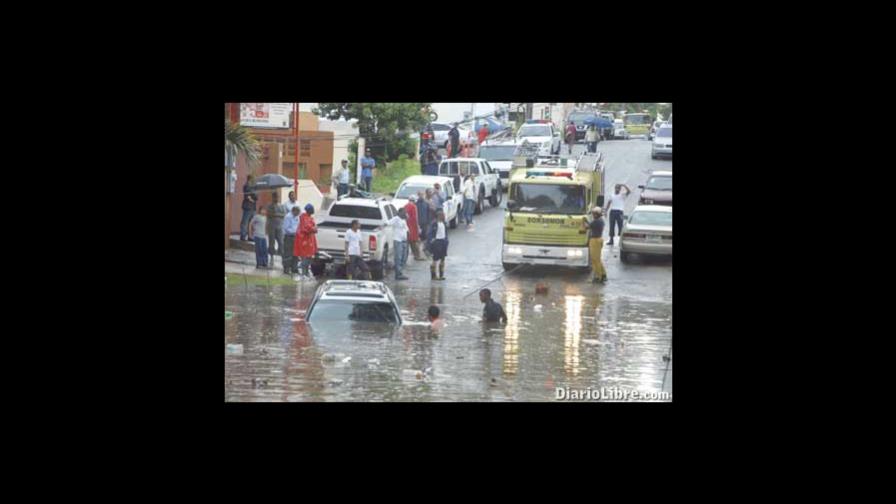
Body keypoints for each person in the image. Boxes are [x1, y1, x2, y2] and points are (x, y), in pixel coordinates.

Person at [294, 203, 318, 280]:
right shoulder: (304, 218)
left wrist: (313, 228)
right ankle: (303, 273)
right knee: (304, 257)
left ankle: (307, 273)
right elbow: (308, 228)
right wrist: (313, 229)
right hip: (304, 240)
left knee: (309, 257)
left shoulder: (310, 218)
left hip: (309, 240)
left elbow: (314, 227)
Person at [585, 206, 607, 283]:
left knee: (594, 260)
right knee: (598, 259)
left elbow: (586, 227)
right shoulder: (601, 220)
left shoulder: (596, 221)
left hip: (595, 240)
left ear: (597, 214)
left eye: (594, 213)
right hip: (599, 239)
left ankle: (598, 277)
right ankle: (603, 274)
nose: (593, 215)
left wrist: (583, 221)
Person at [387, 207, 410, 280]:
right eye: (404, 212)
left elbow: (406, 229)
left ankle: (400, 272)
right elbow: (388, 223)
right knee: (398, 257)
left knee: (404, 257)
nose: (405, 213)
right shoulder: (396, 219)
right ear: (400, 212)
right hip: (398, 240)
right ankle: (398, 274)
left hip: (404, 241)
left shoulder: (403, 220)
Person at [266, 192, 287, 267]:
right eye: (275, 197)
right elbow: (269, 214)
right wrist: (277, 214)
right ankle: (271, 258)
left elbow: (284, 215)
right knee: (271, 243)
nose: (276, 198)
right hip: (271, 226)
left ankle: (282, 258)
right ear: (272, 197)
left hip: (280, 227)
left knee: (281, 242)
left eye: (277, 197)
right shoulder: (269, 205)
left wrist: (276, 214)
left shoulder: (282, 206)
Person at [428, 209, 449, 281]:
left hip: (443, 242)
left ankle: (441, 275)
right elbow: (430, 232)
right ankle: (433, 275)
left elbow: (445, 233)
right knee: (435, 259)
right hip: (437, 242)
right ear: (439, 216)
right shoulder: (434, 223)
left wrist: (446, 240)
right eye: (442, 215)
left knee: (443, 259)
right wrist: (432, 240)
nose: (444, 216)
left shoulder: (444, 223)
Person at [282, 206, 301, 274]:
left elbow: (298, 225)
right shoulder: (288, 217)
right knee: (288, 253)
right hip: (289, 237)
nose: (298, 214)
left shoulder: (297, 217)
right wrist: (295, 231)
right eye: (297, 212)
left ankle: (294, 268)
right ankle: (286, 268)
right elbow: (286, 228)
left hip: (296, 237)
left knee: (296, 253)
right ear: (294, 211)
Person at [406, 195, 425, 260]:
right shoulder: (414, 206)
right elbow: (415, 218)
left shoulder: (405, 206)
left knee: (411, 242)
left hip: (406, 226)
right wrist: (418, 227)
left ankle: (415, 255)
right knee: (415, 241)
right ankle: (417, 255)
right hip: (413, 226)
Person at [240, 175, 258, 241]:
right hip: (247, 206)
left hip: (253, 207)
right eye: (253, 179)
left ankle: (250, 236)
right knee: (245, 222)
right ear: (250, 179)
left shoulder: (254, 187)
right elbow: (248, 196)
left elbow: (256, 197)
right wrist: (253, 199)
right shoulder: (246, 185)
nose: (254, 180)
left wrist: (254, 197)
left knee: (251, 223)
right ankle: (243, 236)